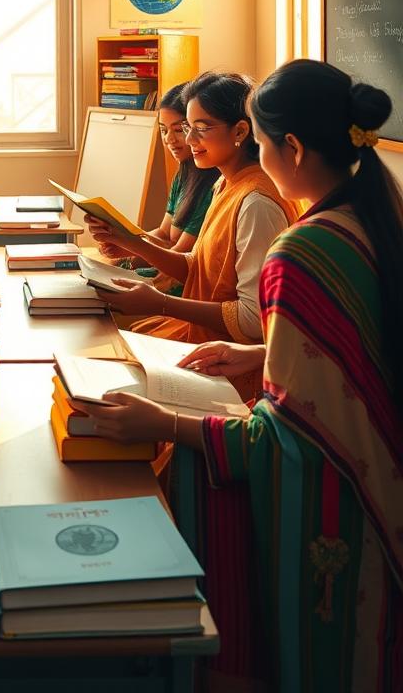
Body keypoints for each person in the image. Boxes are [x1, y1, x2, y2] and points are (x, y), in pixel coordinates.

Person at [74, 60, 403, 690]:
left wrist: (163, 421)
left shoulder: (300, 249)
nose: (191, 142)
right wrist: (257, 355)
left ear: (293, 148)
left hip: (341, 507)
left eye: (249, 131)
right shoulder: (371, 219)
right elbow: (346, 354)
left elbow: (285, 437)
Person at [87, 72, 298, 370]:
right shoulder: (225, 184)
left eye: (201, 128)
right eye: (188, 127)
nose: (188, 140)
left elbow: (253, 321)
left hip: (228, 360)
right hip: (203, 340)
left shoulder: (256, 205)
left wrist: (160, 303)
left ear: (240, 132)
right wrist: (129, 242)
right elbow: (197, 268)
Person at [127, 82, 219, 294]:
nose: (169, 139)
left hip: (182, 280)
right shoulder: (184, 173)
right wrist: (127, 242)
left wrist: (130, 247)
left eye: (179, 130)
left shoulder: (214, 183)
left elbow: (180, 253)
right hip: (168, 264)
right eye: (163, 130)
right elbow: (163, 232)